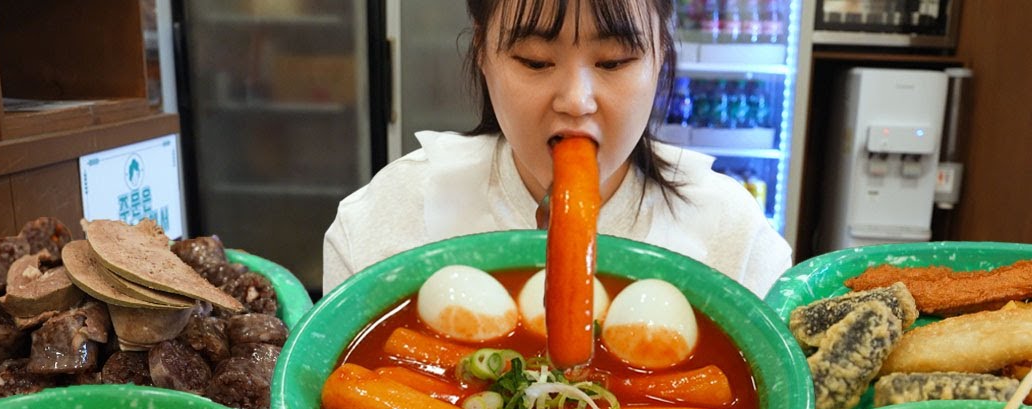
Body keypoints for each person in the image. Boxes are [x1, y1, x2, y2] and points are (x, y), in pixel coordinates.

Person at [321, 0, 792, 297]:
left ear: (660, 58)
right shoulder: (380, 225)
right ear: (483, 55)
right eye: (536, 61)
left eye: (613, 61)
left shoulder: (736, 242)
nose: (576, 100)